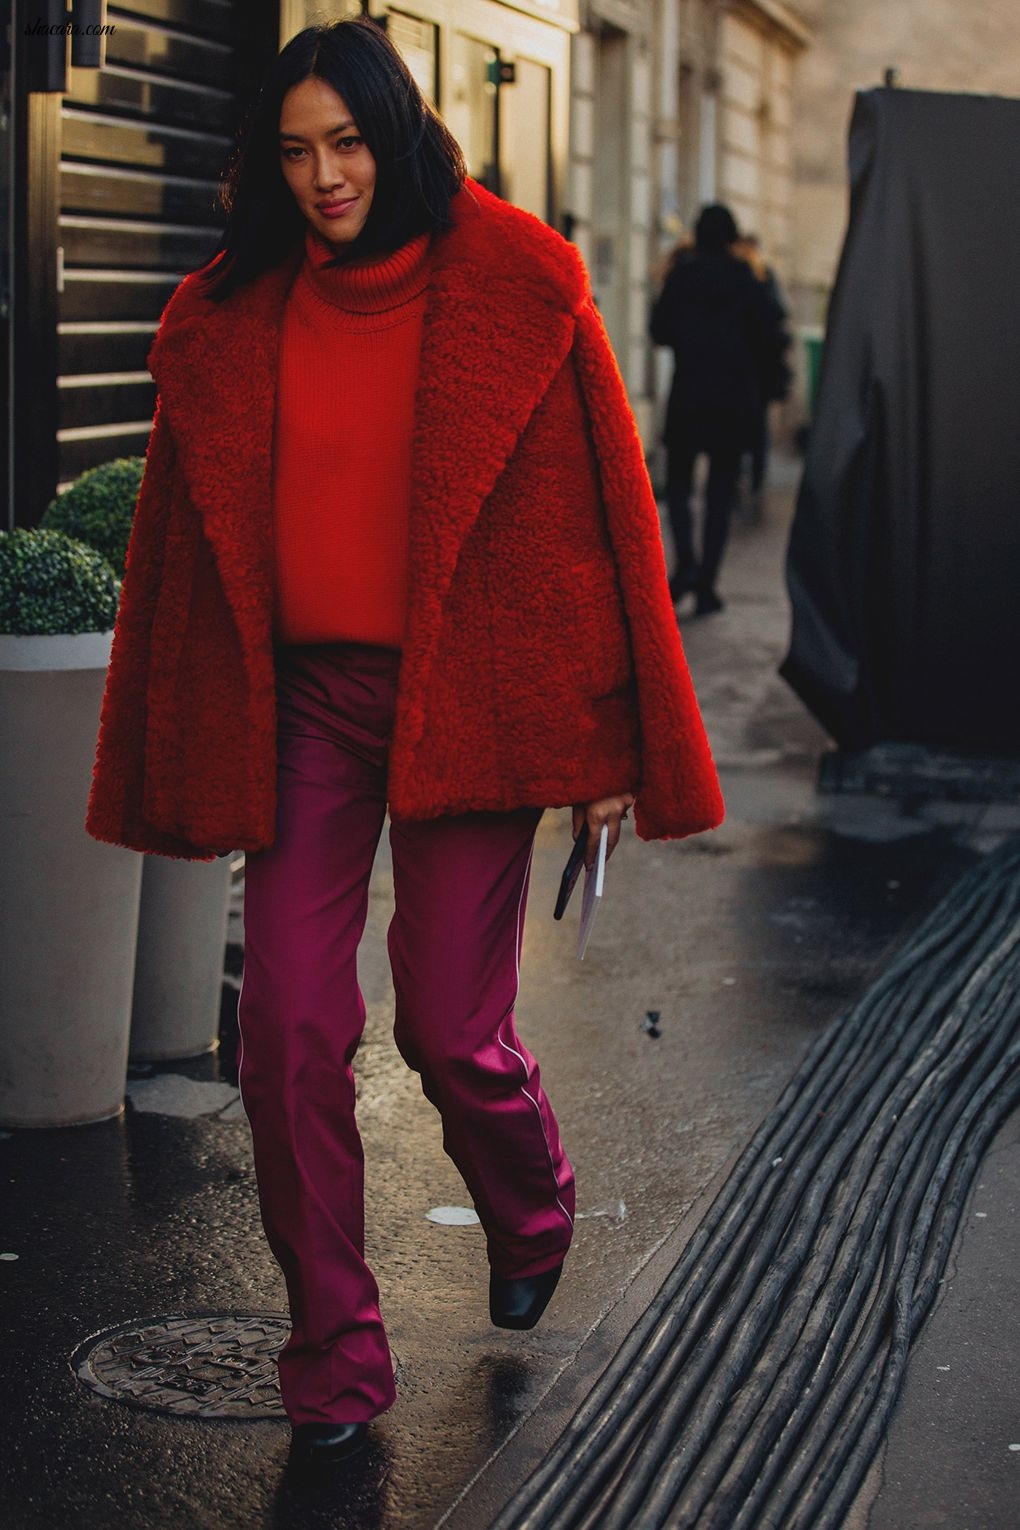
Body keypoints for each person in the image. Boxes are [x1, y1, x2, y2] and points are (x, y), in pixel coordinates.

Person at [86, 18, 723, 1467]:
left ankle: (529, 1187)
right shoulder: (227, 310)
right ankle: (333, 1349)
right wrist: (176, 726)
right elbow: (186, 553)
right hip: (302, 707)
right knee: (287, 1027)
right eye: (297, 150)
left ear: (401, 134)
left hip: (469, 697)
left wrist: (615, 736)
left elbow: (601, 520)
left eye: (350, 142)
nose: (323, 176)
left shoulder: (517, 282)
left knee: (446, 1021)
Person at [651, 203, 784, 614]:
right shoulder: (747, 279)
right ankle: (707, 581)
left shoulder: (682, 277)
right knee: (720, 492)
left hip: (689, 393)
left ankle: (685, 563)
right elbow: (769, 336)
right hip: (732, 398)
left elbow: (659, 331)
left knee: (678, 487)